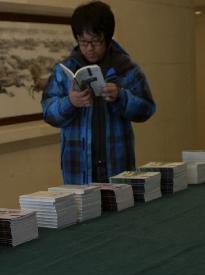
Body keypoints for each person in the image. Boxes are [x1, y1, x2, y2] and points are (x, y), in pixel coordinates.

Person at [42, 1, 155, 184]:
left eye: (96, 41)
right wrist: (70, 103)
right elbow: (48, 112)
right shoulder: (64, 70)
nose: (89, 48)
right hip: (77, 168)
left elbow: (147, 109)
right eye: (83, 41)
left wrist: (121, 97)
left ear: (108, 38)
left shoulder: (125, 67)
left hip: (118, 165)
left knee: (123, 210)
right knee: (82, 212)